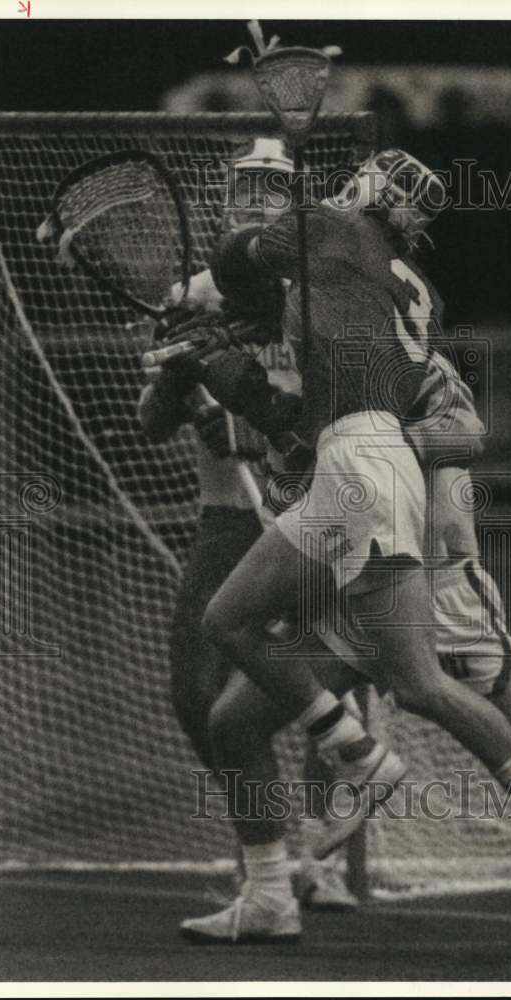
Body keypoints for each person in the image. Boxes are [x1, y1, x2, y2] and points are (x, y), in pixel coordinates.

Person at [169, 149, 511, 942]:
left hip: (382, 491)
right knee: (233, 649)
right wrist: (230, 358)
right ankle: (287, 869)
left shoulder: (327, 230)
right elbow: (309, 397)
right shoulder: (396, 286)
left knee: (420, 685)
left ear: (360, 192)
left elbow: (237, 261)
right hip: (355, 473)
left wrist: (203, 305)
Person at [139, 137, 358, 910]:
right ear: (224, 198)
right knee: (193, 692)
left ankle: (321, 859)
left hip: (318, 516)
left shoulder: (325, 293)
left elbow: (341, 412)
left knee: (325, 682)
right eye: (246, 186)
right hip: (231, 519)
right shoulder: (191, 295)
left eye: (274, 186)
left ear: (296, 205)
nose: (258, 199)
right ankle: (263, 843)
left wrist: (249, 411)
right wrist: (178, 380)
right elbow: (151, 424)